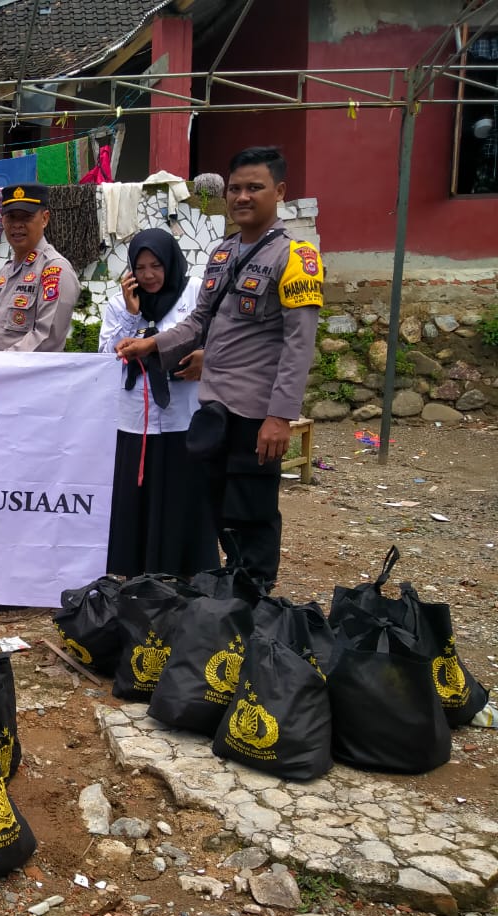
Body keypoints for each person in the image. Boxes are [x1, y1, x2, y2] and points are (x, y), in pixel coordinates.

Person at [116, 147, 323, 589]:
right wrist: (152, 344)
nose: (242, 197)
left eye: (255, 187)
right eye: (235, 188)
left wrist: (280, 416)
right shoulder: (223, 253)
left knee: (253, 515)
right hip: (213, 409)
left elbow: (299, 344)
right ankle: (230, 603)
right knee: (221, 512)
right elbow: (198, 323)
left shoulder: (296, 257)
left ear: (280, 192)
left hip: (256, 413)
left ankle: (255, 606)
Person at [98, 228, 217, 578]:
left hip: (184, 414)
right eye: (141, 267)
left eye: (156, 266)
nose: (149, 275)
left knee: (182, 495)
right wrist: (133, 315)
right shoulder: (121, 303)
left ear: (171, 263)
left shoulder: (194, 293)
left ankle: (187, 571)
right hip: (135, 418)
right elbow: (106, 355)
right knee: (138, 496)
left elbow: (218, 337)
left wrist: (202, 357)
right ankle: (136, 572)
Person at [0, 183, 78, 351]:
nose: (17, 225)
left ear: (44, 219)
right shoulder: (6, 270)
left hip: (29, 375)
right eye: (11, 217)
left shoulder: (55, 269)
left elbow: (46, 338)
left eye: (26, 217)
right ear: (3, 220)